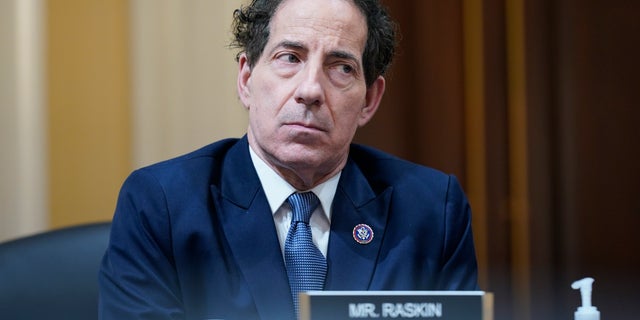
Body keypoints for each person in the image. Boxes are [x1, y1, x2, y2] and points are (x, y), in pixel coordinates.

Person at [98, 0, 479, 319]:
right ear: (246, 79)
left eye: (341, 68)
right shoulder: (162, 204)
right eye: (289, 58)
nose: (310, 90)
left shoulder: (432, 210)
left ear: (369, 100)